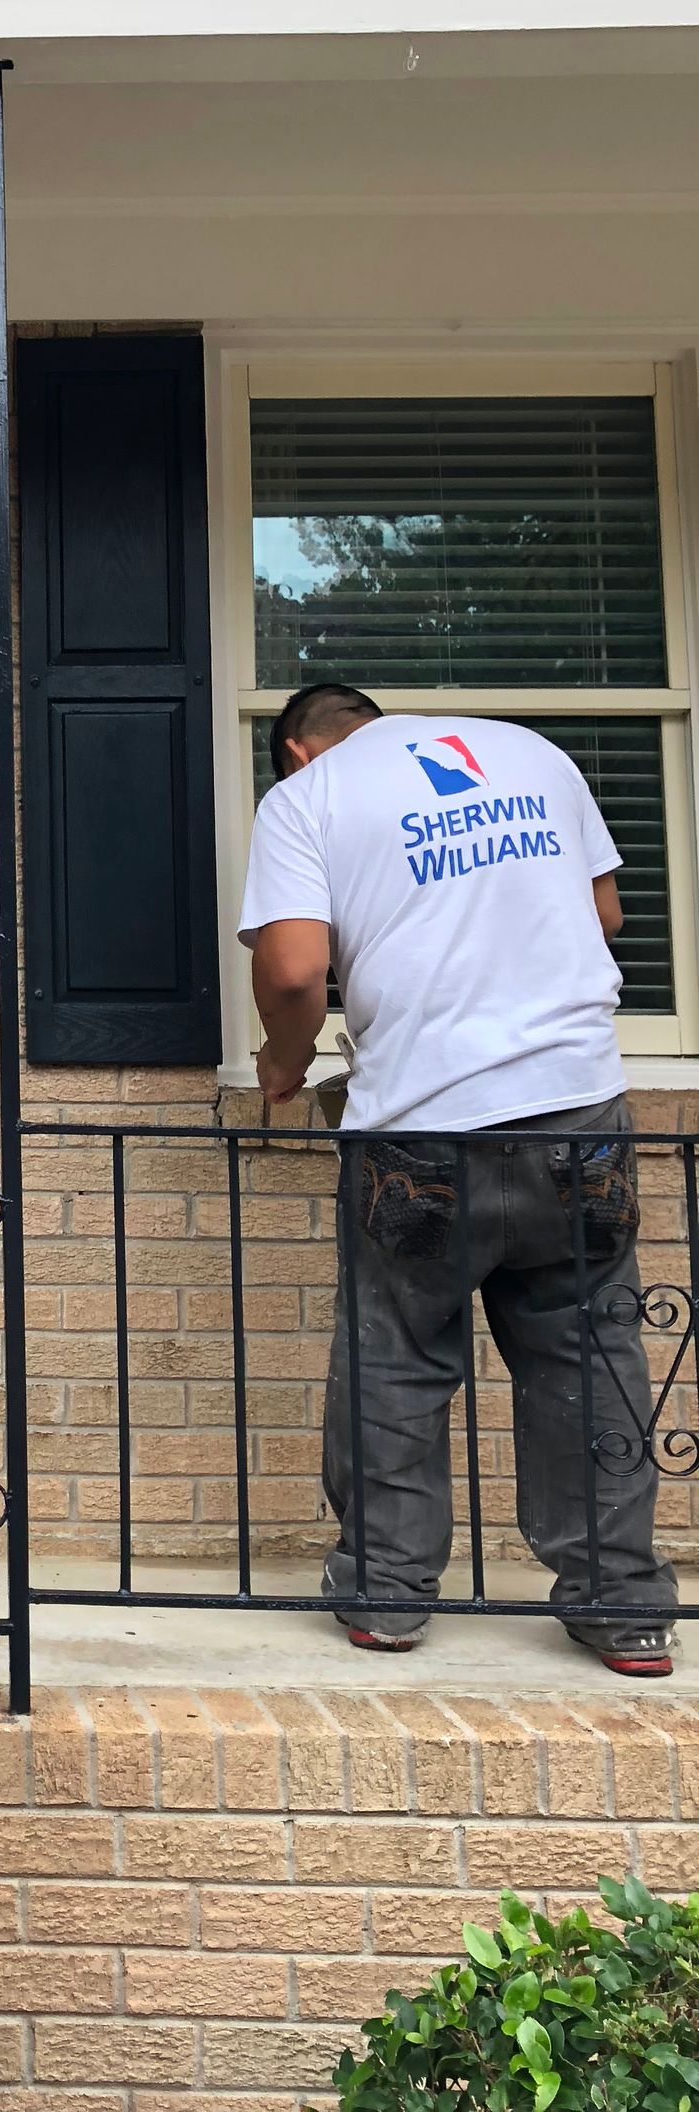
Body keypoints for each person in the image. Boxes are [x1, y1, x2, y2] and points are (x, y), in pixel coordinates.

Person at [238, 681, 676, 1677]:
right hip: (578, 1110)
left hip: (425, 1127)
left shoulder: (309, 798)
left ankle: (387, 1594)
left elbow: (299, 968)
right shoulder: (528, 753)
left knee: (396, 1348)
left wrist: (282, 1057)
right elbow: (603, 913)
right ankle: (622, 1605)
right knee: (591, 1350)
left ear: (300, 751)